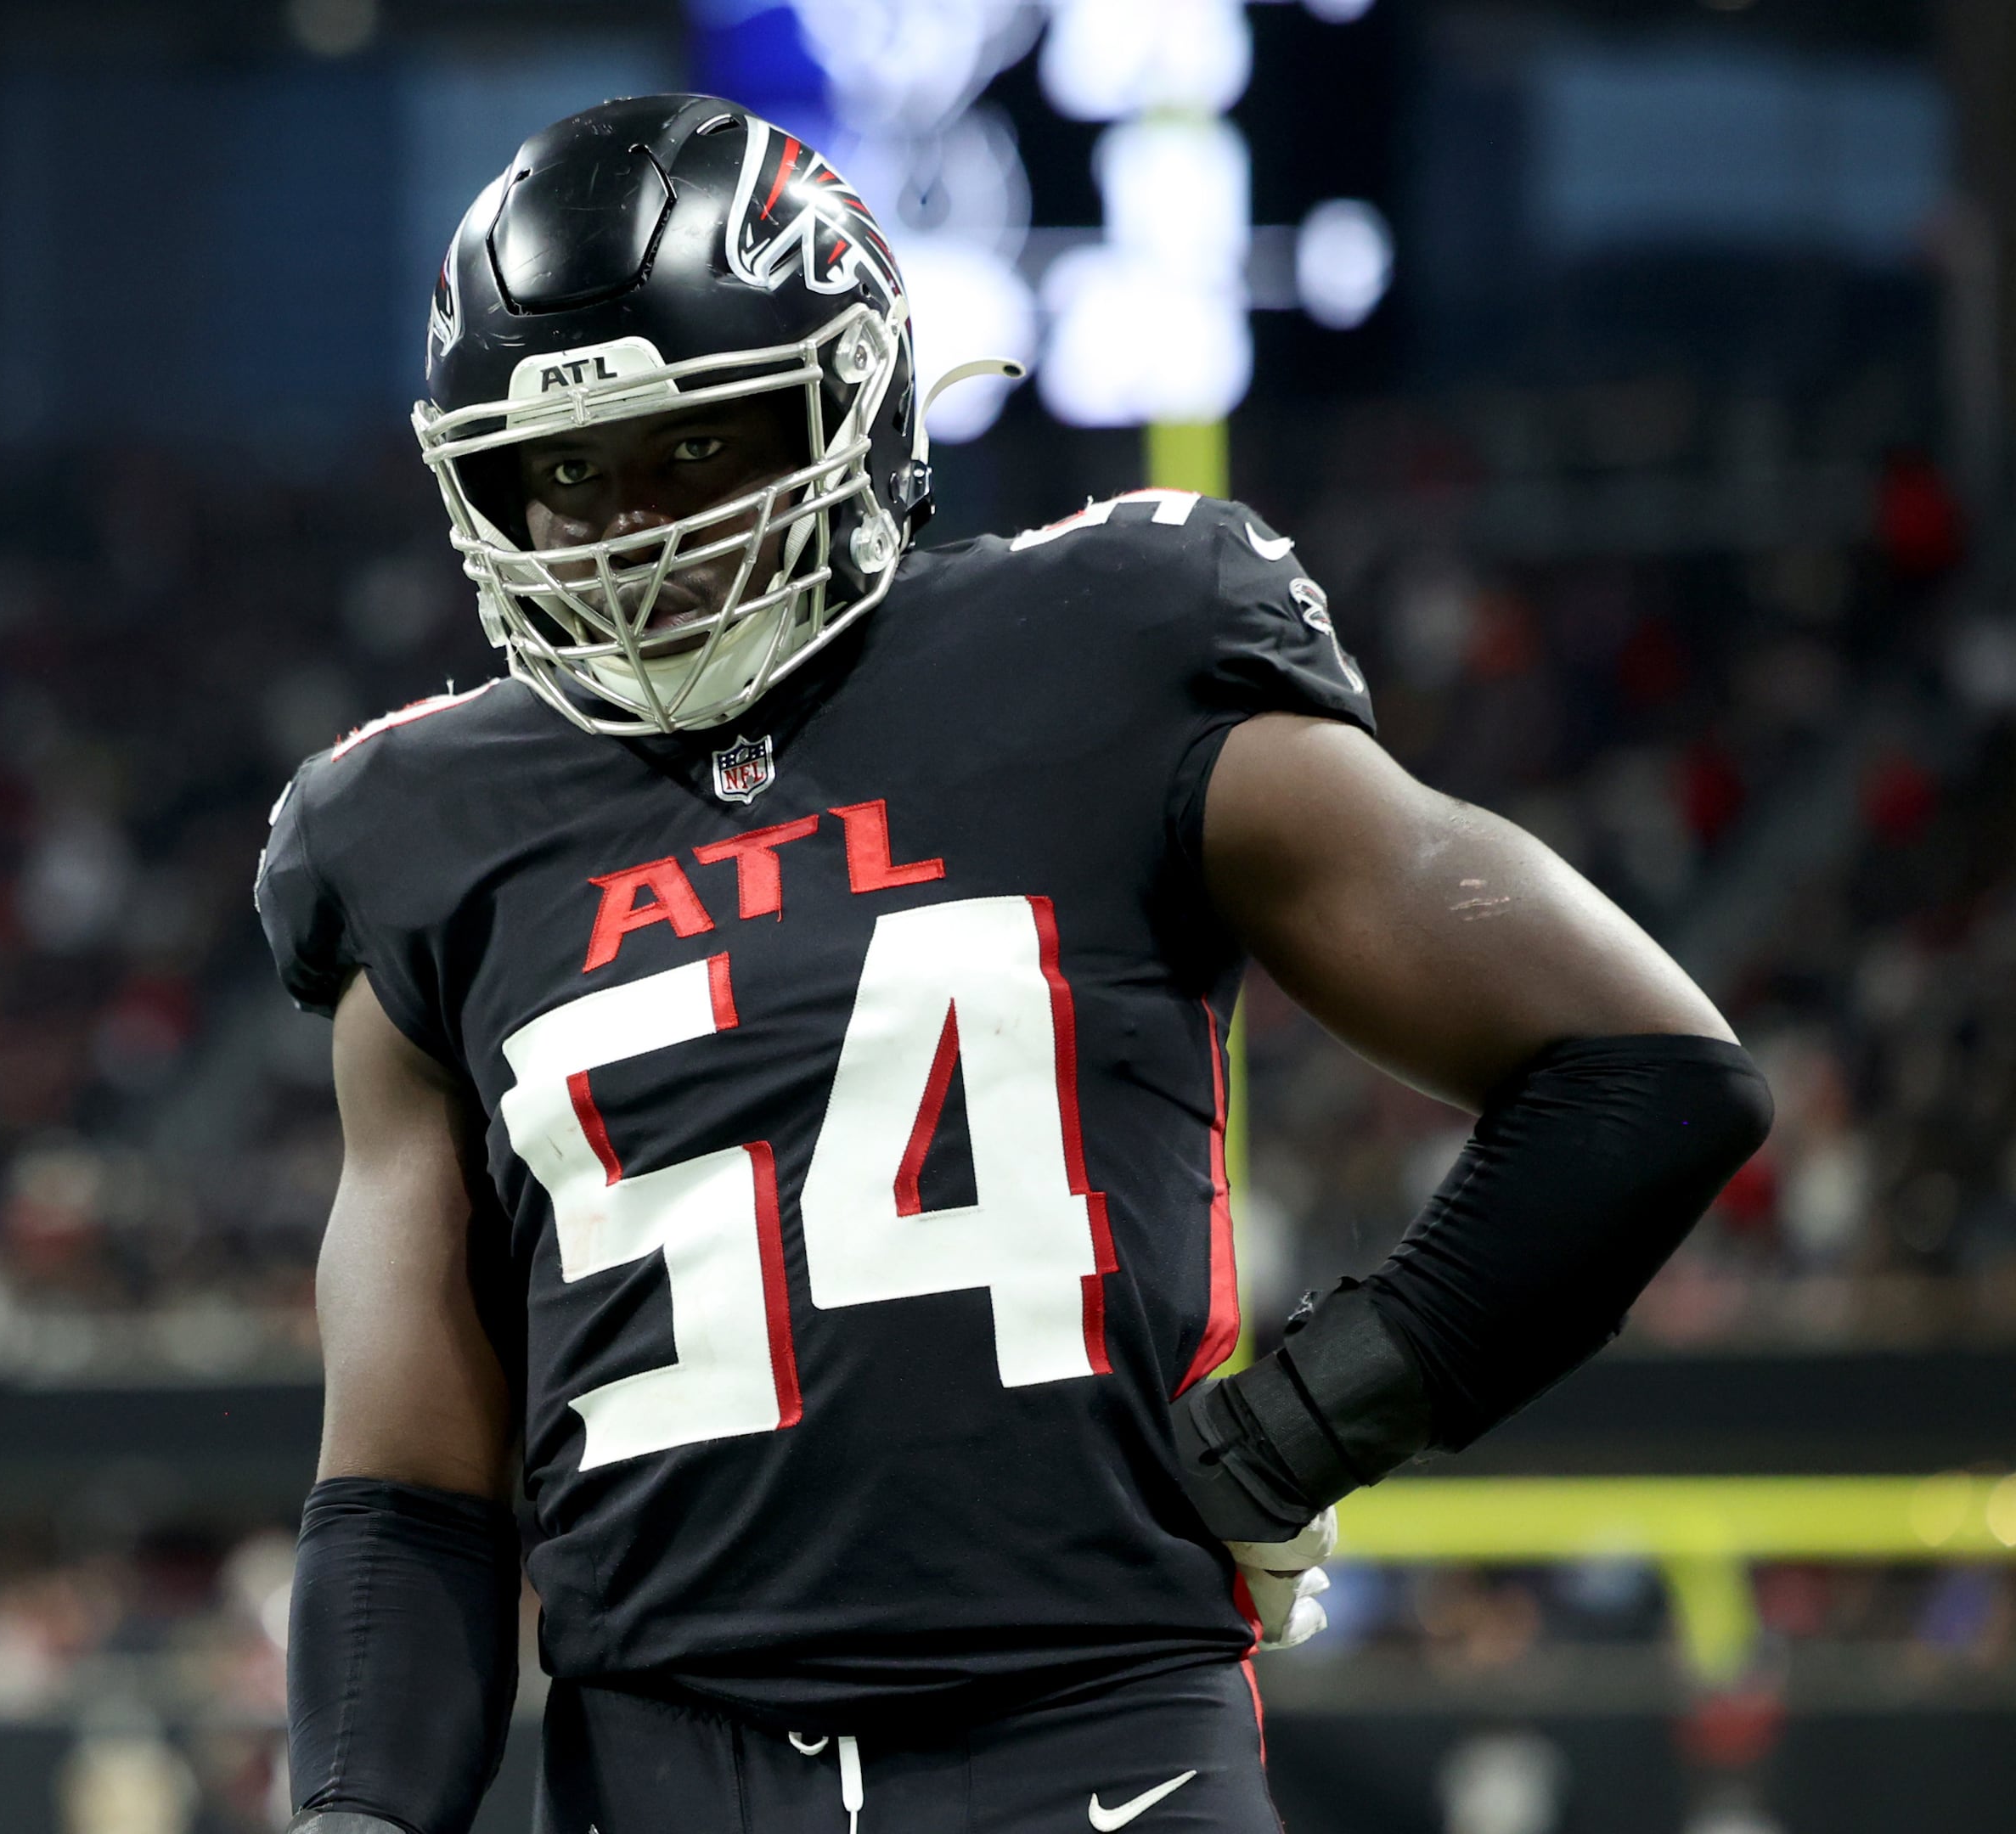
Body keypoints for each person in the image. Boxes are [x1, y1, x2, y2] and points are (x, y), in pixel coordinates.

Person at [254, 95, 1768, 1834]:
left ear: (853, 401)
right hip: (664, 1773)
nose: (635, 534)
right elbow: (405, 1487)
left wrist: (1311, 1421)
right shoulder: (418, 829)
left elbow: (1642, 1076)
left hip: (1093, 1740)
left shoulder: (1106, 649)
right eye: (571, 474)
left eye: (702, 446)